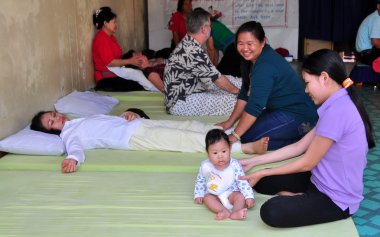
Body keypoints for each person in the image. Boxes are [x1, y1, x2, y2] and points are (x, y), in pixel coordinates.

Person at [239, 49, 375, 228]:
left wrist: (263, 171)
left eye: (307, 82)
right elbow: (299, 147)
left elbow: (307, 163)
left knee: (271, 211)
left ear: (324, 78)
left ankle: (301, 199)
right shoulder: (335, 102)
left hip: (336, 199)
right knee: (261, 182)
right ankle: (299, 197)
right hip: (318, 179)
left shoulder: (338, 111)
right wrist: (254, 162)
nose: (306, 89)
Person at [30, 111, 269, 173]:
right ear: (52, 133)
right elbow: (75, 149)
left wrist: (126, 116)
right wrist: (72, 159)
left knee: (185, 126)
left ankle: (223, 131)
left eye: (53, 115)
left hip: (136, 124)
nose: (57, 119)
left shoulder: (76, 121)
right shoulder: (68, 135)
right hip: (133, 138)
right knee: (181, 140)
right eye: (52, 123)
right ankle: (240, 147)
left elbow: (105, 124)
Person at [217, 21, 318, 150]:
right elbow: (245, 93)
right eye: (240, 44)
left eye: (249, 43)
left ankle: (304, 141)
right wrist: (229, 123)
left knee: (245, 138)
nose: (245, 48)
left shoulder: (265, 65)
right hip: (278, 109)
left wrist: (235, 135)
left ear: (262, 41)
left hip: (298, 114)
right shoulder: (251, 59)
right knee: (245, 132)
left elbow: (255, 106)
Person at [164, 8, 241, 116]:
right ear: (204, 29)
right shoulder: (192, 50)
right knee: (238, 102)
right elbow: (217, 79)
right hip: (180, 102)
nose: (211, 29)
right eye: (210, 26)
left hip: (189, 92)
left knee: (234, 82)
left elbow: (214, 75)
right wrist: (239, 92)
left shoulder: (189, 43)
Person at [92, 6, 164, 92]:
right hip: (106, 79)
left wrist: (133, 60)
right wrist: (130, 61)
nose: (116, 25)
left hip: (116, 72)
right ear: (105, 23)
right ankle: (161, 90)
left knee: (141, 75)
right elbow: (110, 62)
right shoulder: (101, 39)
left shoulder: (110, 37)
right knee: (139, 82)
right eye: (114, 22)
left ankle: (161, 88)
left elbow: (118, 57)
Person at [194, 129, 255, 221]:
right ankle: (223, 210)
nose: (220, 156)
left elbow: (243, 181)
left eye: (224, 151)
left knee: (240, 196)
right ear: (208, 153)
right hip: (215, 195)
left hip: (232, 194)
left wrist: (249, 196)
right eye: (215, 153)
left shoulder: (234, 165)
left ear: (229, 149)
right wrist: (198, 194)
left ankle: (236, 212)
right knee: (207, 198)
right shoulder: (205, 166)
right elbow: (200, 180)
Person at [355, 0, 380, 66]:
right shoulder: (377, 18)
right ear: (378, 6)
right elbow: (376, 42)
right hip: (366, 54)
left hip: (367, 53)